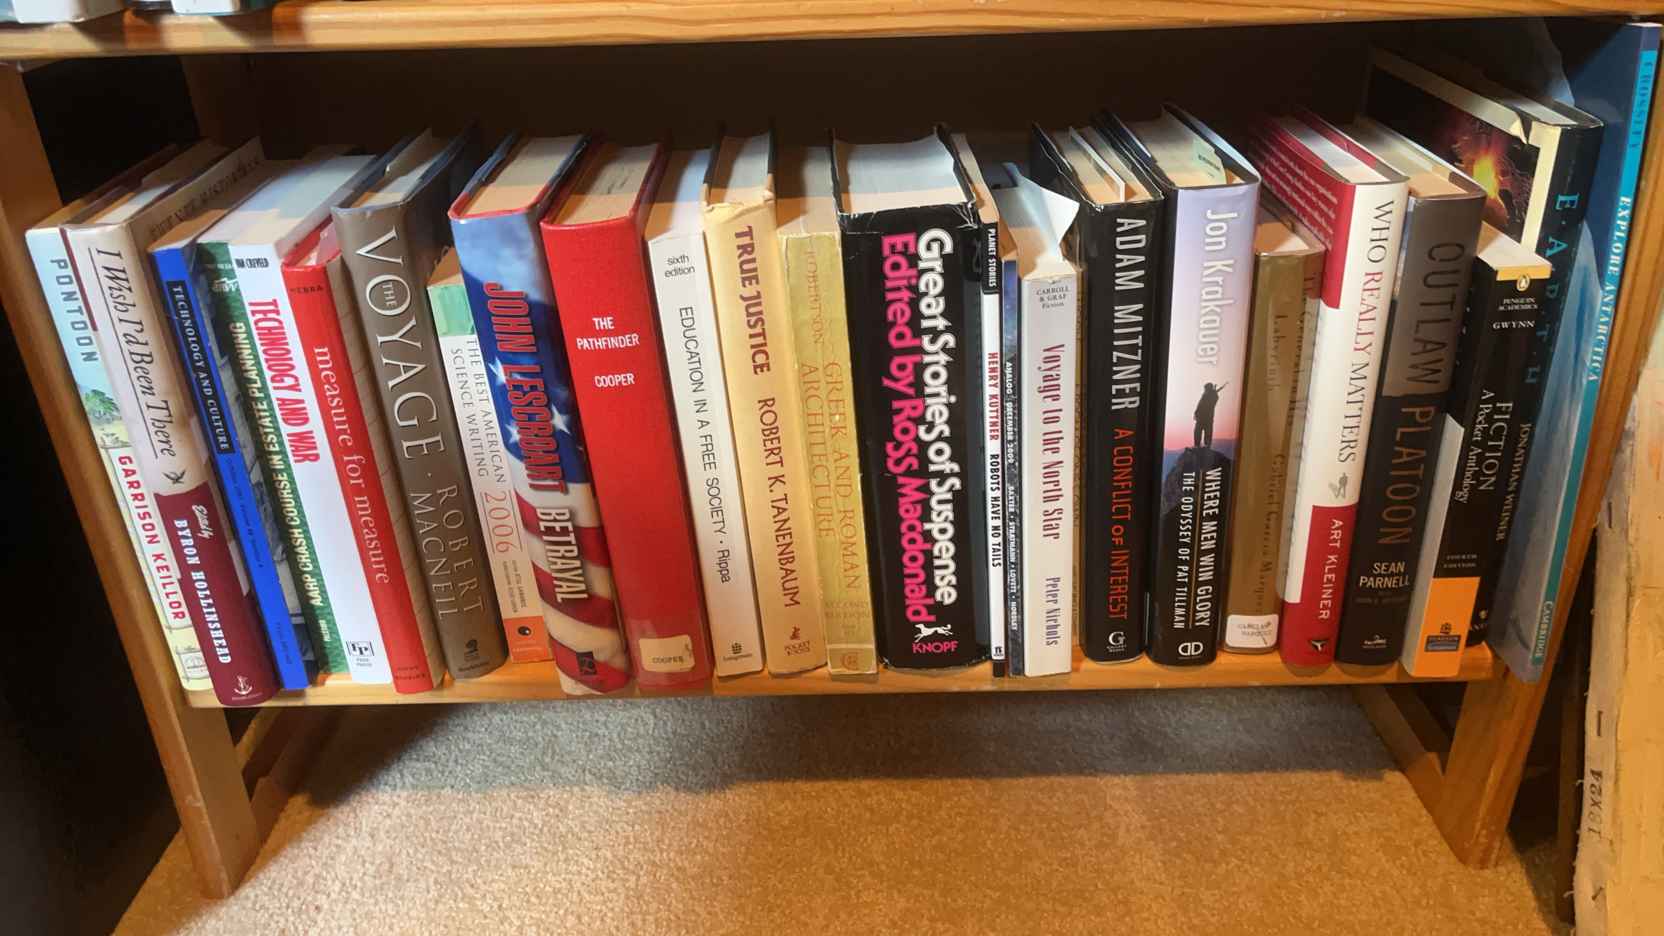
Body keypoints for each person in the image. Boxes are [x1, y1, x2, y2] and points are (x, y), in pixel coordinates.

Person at [1194, 382, 1226, 448]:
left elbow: (1213, 401)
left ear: (1208, 389)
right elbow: (1199, 405)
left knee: (1207, 433)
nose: (1204, 390)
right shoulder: (1205, 396)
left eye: (1206, 388)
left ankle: (1206, 446)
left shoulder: (1213, 396)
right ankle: (1197, 445)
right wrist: (1196, 413)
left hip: (1208, 419)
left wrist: (1214, 392)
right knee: (1197, 432)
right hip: (1201, 418)